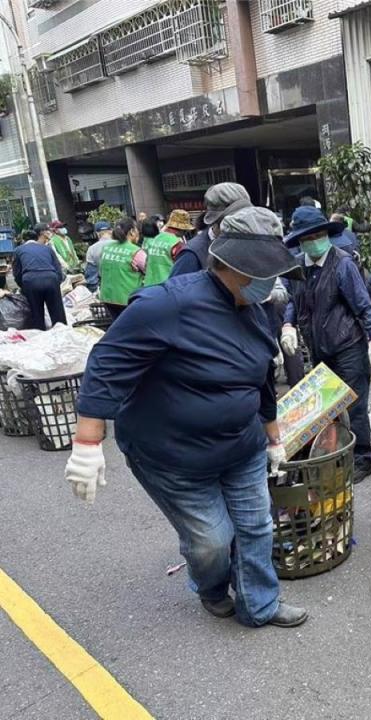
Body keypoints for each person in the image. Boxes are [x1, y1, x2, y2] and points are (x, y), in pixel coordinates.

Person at [64, 207, 307, 628]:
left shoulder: (255, 309)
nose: (271, 282)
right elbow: (107, 362)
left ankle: (260, 605)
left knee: (256, 528)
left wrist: (273, 437)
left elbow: (261, 378)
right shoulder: (167, 304)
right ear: (232, 266)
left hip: (241, 445)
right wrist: (87, 442)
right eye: (262, 271)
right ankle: (211, 586)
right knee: (212, 542)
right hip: (174, 457)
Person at [280, 208, 371, 483]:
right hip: (318, 347)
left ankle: (363, 458)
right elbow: (293, 299)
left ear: (326, 235)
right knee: (328, 406)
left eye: (318, 235)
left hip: (348, 345)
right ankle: (338, 453)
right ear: (300, 241)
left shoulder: (342, 264)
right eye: (308, 237)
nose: (314, 241)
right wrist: (288, 325)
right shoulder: (297, 268)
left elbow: (364, 306)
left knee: (354, 405)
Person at [170, 183, 251, 277]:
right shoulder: (192, 254)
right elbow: (176, 288)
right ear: (215, 221)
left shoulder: (247, 243)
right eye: (233, 221)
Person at [12, 226, 66, 329]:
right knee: (57, 313)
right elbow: (58, 268)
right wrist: (56, 282)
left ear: (23, 240)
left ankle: (40, 334)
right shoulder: (47, 248)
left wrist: (23, 286)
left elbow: (17, 272)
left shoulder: (18, 250)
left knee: (36, 313)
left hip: (31, 281)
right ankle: (63, 334)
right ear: (37, 238)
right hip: (51, 279)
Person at [98, 218, 146, 319]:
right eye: (137, 229)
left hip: (108, 297)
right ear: (132, 231)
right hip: (127, 298)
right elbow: (150, 272)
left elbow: (101, 271)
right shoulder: (135, 251)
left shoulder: (107, 248)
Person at [143, 209, 192, 287]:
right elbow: (183, 269)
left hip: (149, 286)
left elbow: (146, 264)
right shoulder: (177, 244)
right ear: (183, 229)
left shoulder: (155, 239)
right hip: (167, 288)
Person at [83, 221, 113, 292]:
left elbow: (91, 277)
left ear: (96, 233)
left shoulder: (92, 249)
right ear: (111, 231)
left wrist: (95, 291)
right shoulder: (121, 245)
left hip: (105, 289)